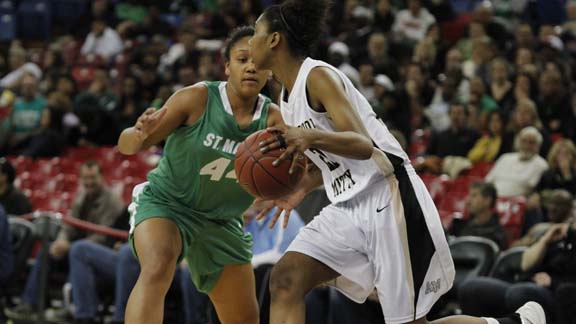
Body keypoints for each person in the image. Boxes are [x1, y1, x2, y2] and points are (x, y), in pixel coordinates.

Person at [249, 1, 546, 324]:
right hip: (347, 207)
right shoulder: (286, 98)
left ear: (274, 40)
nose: (250, 43)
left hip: (388, 197)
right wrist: (302, 187)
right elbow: (335, 162)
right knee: (284, 279)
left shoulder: (318, 76)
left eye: (255, 35)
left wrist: (310, 138)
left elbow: (363, 145)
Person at [117, 26, 284, 324]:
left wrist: (285, 188)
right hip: (168, 205)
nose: (251, 67)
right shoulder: (196, 98)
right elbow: (129, 145)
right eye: (242, 59)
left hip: (221, 221)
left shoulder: (274, 121)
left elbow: (300, 167)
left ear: (269, 71)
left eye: (258, 62)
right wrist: (138, 131)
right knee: (158, 264)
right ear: (227, 67)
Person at [5, 161, 125, 321]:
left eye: (93, 178)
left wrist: (69, 246)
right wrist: (61, 241)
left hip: (98, 253)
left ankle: (72, 309)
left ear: (102, 177)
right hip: (76, 248)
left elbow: (104, 236)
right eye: (85, 178)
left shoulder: (113, 202)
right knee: (48, 250)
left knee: (78, 252)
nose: (89, 182)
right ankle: (30, 304)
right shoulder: (81, 196)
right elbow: (69, 225)